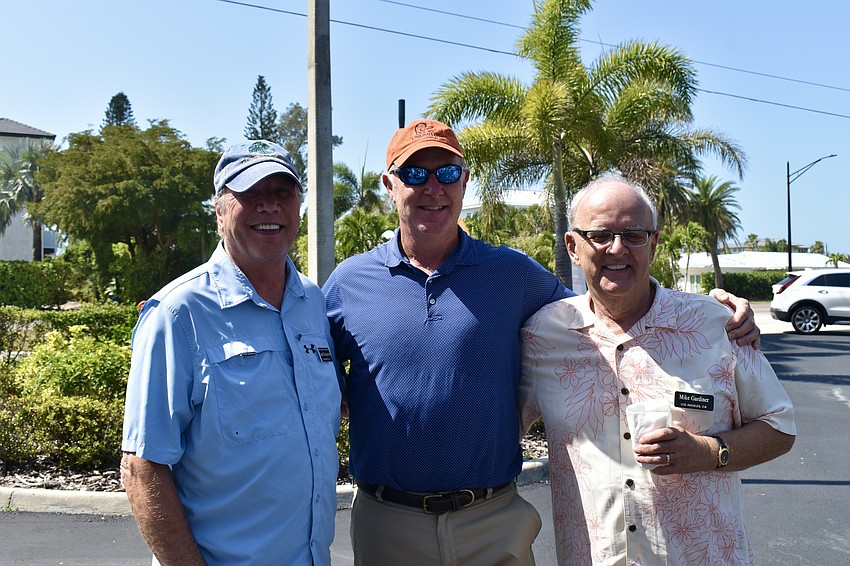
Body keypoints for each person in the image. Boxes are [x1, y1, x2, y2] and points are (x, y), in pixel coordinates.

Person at [323, 119, 759, 565]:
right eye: (415, 174)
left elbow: (605, 306)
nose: (433, 187)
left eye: (447, 173)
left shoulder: (512, 273)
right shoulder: (349, 283)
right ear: (389, 185)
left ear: (465, 181)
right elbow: (313, 373)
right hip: (388, 521)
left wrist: (702, 310)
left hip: (491, 521)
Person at [519, 175, 796, 565]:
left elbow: (779, 426)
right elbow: (497, 433)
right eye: (600, 235)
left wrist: (708, 452)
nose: (617, 248)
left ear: (654, 243)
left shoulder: (716, 325)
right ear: (572, 246)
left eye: (634, 235)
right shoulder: (543, 336)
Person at [121, 140, 342, 566]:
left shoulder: (312, 302)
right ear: (219, 209)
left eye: (282, 192)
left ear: (298, 205)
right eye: (250, 193)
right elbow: (143, 466)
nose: (269, 205)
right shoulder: (177, 313)